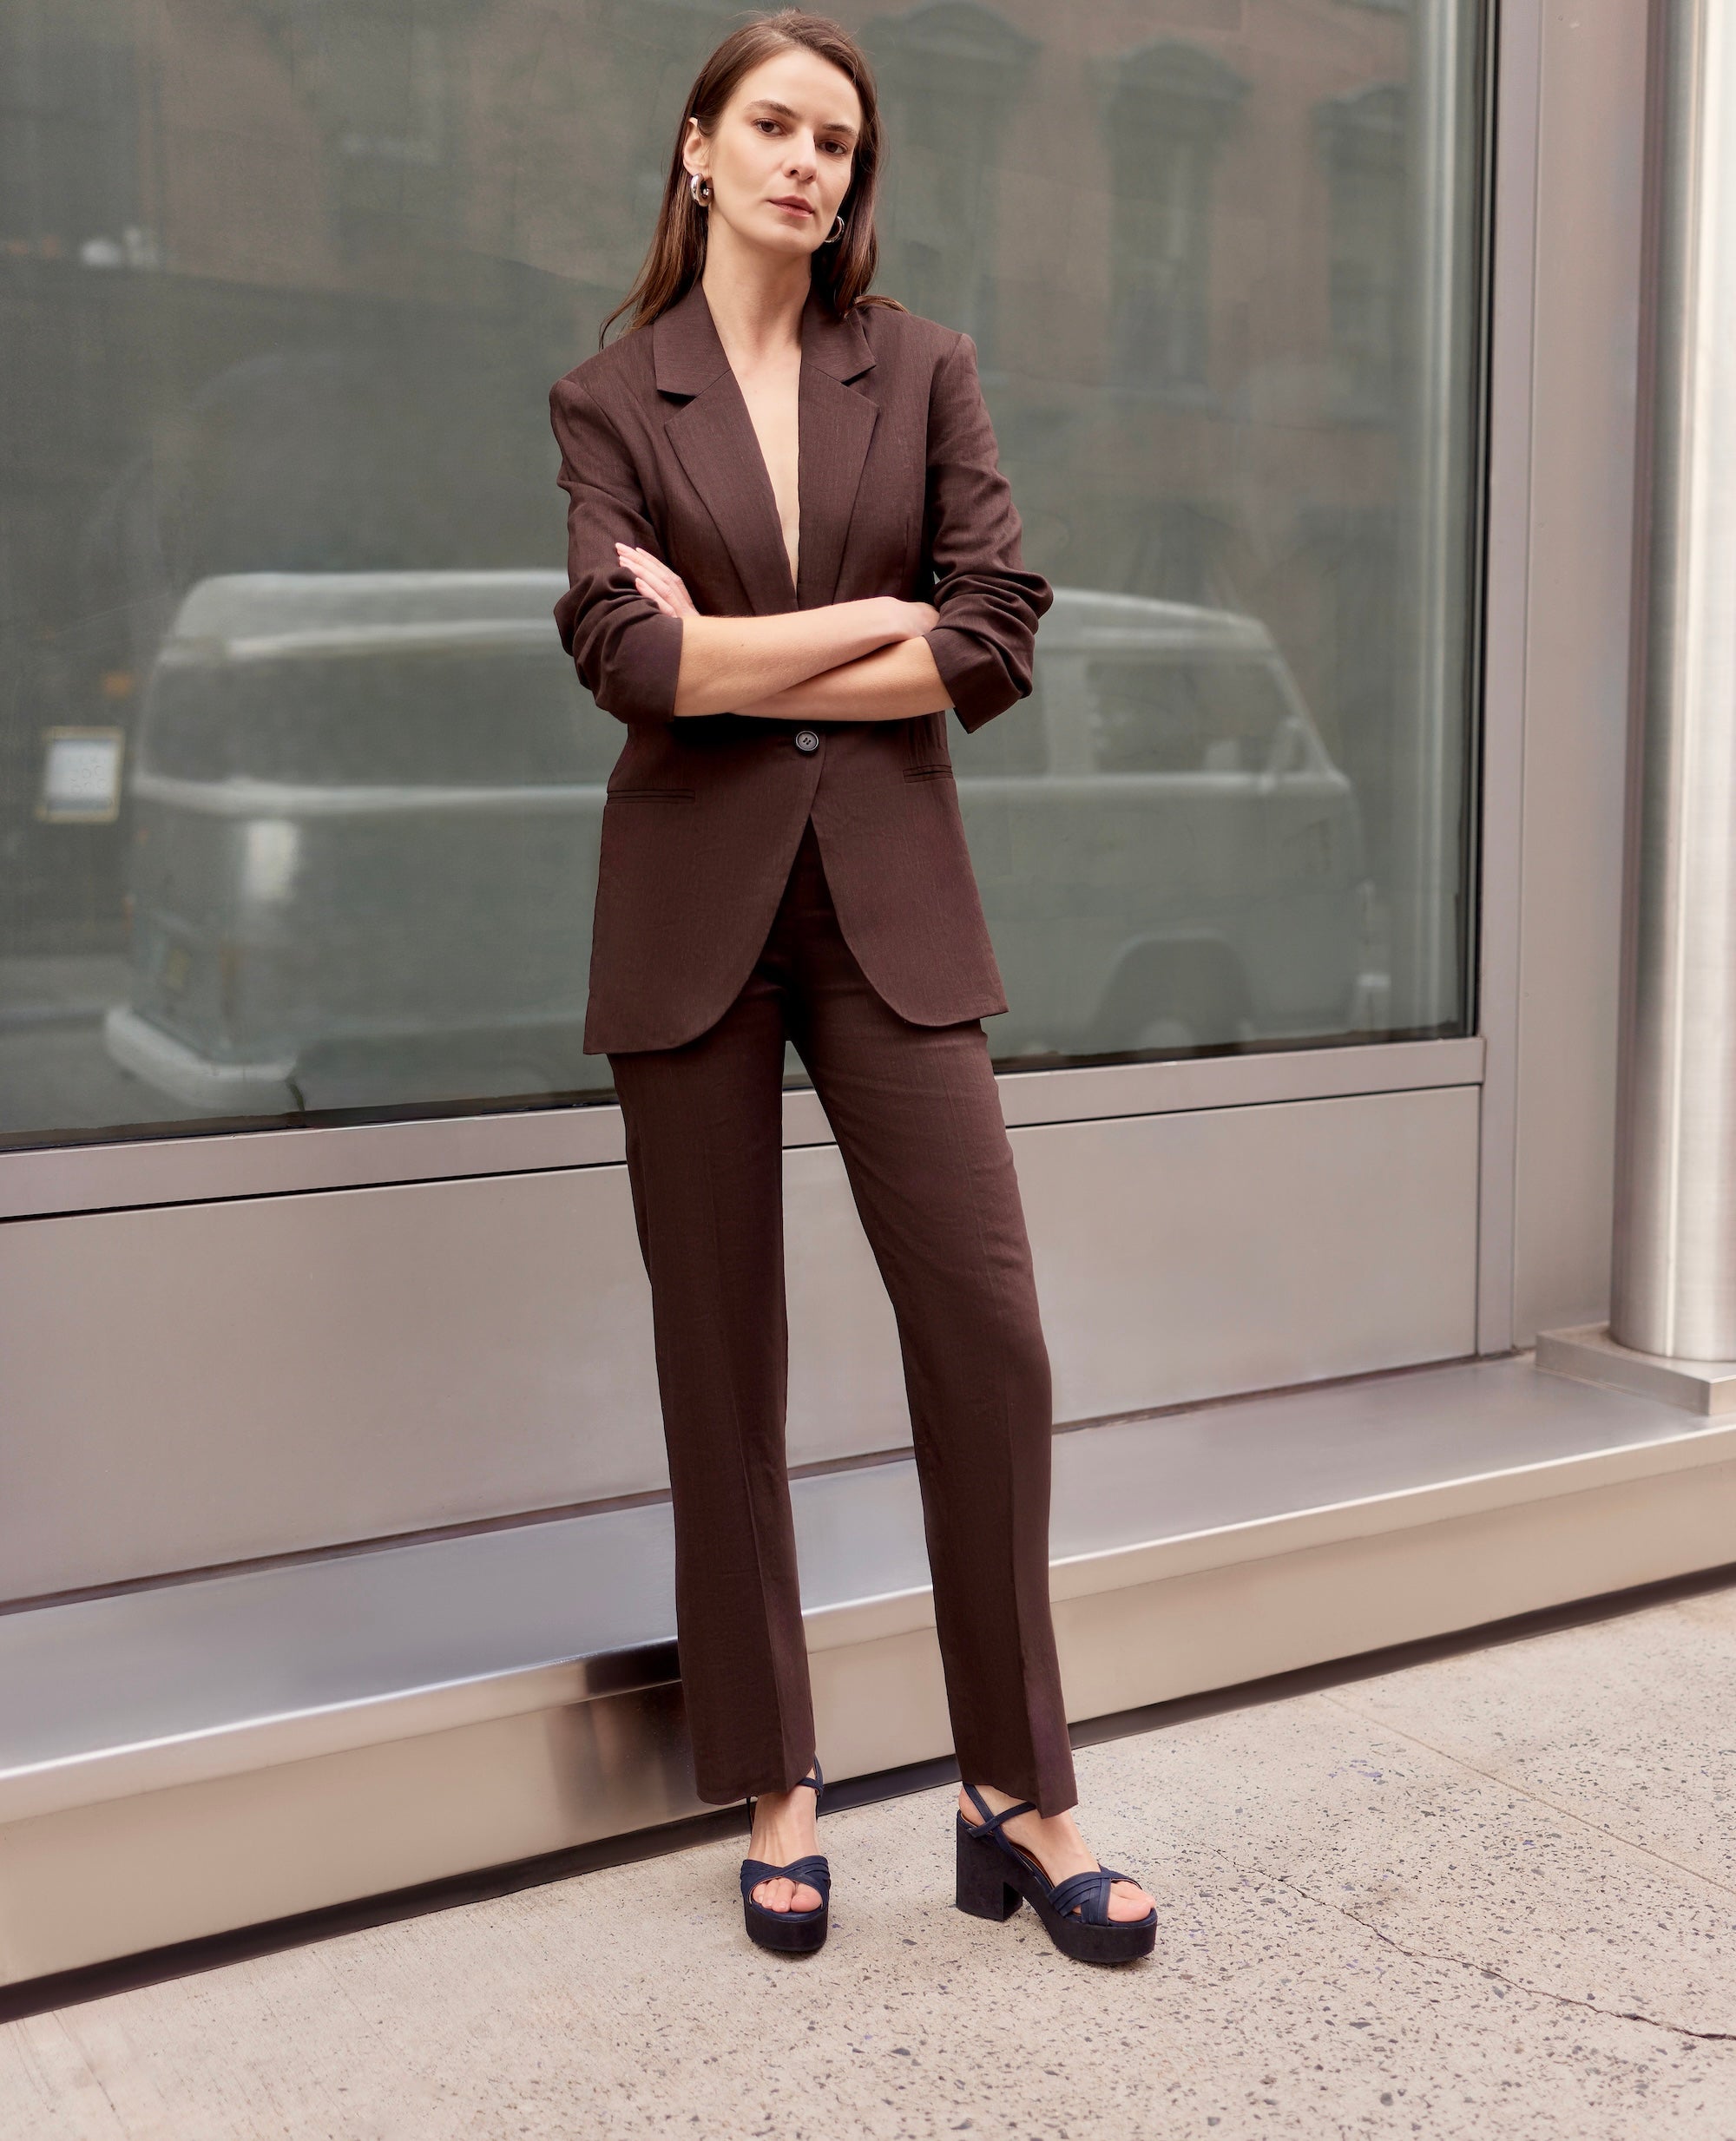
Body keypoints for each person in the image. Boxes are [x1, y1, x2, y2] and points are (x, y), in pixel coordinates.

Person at [549, 9, 1155, 1965]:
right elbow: (626, 668)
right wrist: (846, 626)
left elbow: (990, 636)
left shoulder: (926, 369)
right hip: (685, 920)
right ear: (699, 148)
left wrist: (740, 645)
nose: (811, 163)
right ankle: (778, 1776)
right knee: (719, 1363)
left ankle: (1018, 1786)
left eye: (840, 140)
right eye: (776, 128)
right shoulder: (607, 396)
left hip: (889, 902)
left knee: (989, 1336)